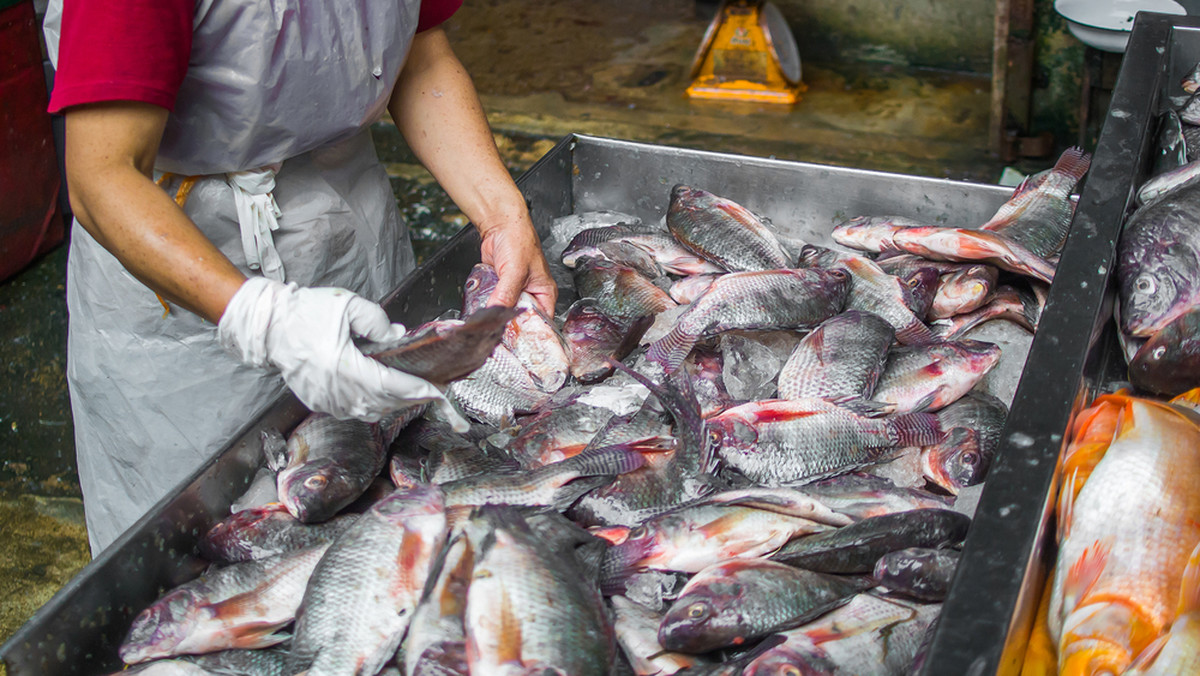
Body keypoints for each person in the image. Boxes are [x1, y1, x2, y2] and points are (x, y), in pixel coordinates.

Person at [43, 0, 556, 554]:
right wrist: (260, 317)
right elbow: (102, 175)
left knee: (396, 516)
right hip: (184, 267)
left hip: (346, 213)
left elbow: (421, 55)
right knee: (210, 542)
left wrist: (503, 214)